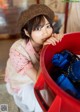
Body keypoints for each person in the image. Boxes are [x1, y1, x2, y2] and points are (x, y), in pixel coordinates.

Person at [5, 4, 63, 112]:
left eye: (47, 26)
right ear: (27, 32)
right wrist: (45, 49)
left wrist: (59, 40)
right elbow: (37, 80)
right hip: (24, 79)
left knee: (54, 100)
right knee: (38, 104)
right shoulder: (17, 51)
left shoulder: (48, 38)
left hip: (41, 73)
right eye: (38, 28)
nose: (45, 32)